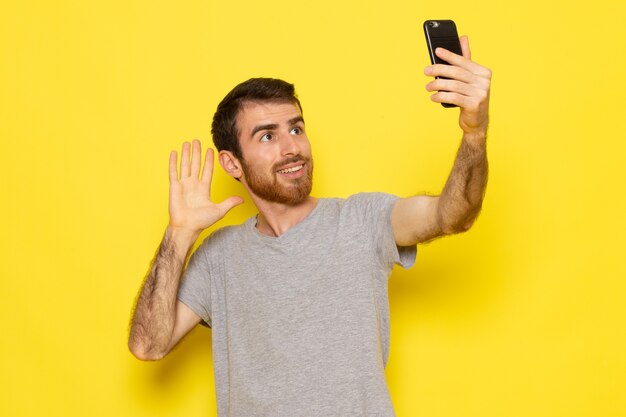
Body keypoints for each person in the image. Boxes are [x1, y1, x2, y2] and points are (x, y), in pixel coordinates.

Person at [128, 36, 491, 417]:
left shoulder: (361, 221)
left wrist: (474, 133)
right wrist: (179, 234)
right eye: (268, 136)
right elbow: (147, 345)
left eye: (296, 129)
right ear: (232, 164)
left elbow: (454, 214)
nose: (292, 148)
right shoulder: (219, 257)